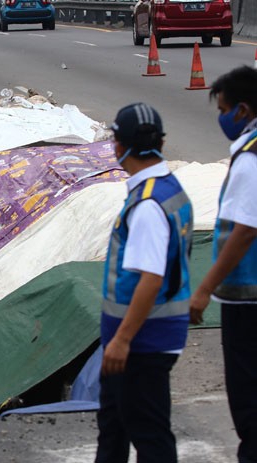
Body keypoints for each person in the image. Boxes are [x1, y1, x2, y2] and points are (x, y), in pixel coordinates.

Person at [96, 103, 193, 463]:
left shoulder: (149, 203)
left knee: (149, 435)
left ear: (120, 147)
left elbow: (150, 280)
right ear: (161, 143)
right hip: (143, 340)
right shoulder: (168, 188)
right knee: (115, 429)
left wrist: (122, 340)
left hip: (140, 343)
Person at [190, 66, 257, 463]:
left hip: (247, 298)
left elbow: (245, 231)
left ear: (243, 110)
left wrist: (203, 289)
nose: (221, 119)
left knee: (248, 399)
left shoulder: (249, 161)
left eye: (224, 110)